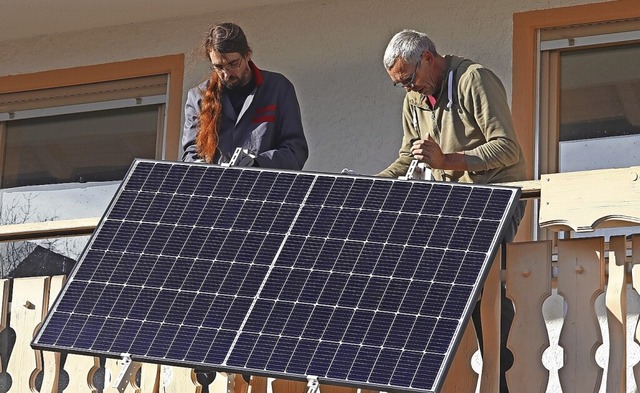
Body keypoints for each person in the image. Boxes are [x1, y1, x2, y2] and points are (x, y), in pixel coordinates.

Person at [379, 29, 527, 392]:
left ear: (428, 58)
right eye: (400, 85)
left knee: (484, 288)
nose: (409, 89)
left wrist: (448, 160)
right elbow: (406, 157)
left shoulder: (474, 80)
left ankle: (496, 375)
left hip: (496, 196)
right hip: (455, 205)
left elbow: (507, 148)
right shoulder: (414, 99)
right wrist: (370, 186)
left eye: (410, 79)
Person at [182, 22, 308, 170]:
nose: (226, 74)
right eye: (219, 67)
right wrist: (202, 170)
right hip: (215, 189)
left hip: (266, 189)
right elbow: (191, 154)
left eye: (233, 63)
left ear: (247, 55)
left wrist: (258, 163)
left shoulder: (278, 88)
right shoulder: (198, 97)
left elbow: (296, 151)